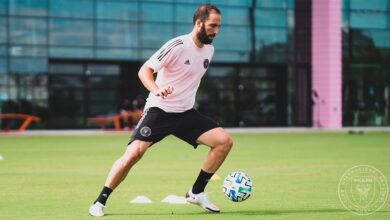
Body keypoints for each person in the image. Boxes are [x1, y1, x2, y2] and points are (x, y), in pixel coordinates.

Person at [89, 3, 233, 217]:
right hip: (160, 110)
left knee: (224, 142)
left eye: (219, 26)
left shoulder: (209, 50)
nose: (216, 31)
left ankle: (196, 192)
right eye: (213, 26)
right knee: (133, 154)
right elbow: (144, 70)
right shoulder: (177, 45)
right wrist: (157, 89)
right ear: (199, 23)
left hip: (185, 113)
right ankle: (100, 201)